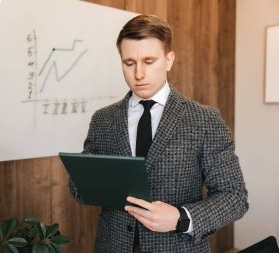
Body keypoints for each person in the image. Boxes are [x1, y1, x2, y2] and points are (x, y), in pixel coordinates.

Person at [69, 14, 248, 253]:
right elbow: (79, 189)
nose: (138, 74)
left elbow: (235, 197)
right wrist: (85, 182)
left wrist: (181, 218)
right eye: (129, 63)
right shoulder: (103, 120)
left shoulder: (204, 120)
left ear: (168, 60)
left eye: (149, 61)